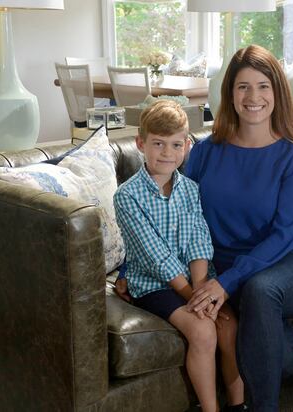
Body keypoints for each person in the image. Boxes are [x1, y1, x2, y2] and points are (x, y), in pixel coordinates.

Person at [185, 45, 293, 412]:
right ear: (229, 94)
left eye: (263, 86)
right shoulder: (204, 153)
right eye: (242, 87)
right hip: (225, 266)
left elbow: (285, 234)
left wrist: (225, 282)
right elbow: (180, 215)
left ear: (277, 93)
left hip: (289, 259)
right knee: (260, 318)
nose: (253, 97)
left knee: (259, 290)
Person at [113, 100, 245, 412]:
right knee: (202, 329)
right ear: (140, 143)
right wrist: (192, 297)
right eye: (158, 144)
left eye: (175, 145)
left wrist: (201, 290)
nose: (166, 153)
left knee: (228, 327)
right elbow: (155, 256)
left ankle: (238, 405)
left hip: (194, 279)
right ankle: (209, 408)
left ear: (186, 146)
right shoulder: (127, 196)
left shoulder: (190, 189)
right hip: (154, 284)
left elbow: (197, 240)